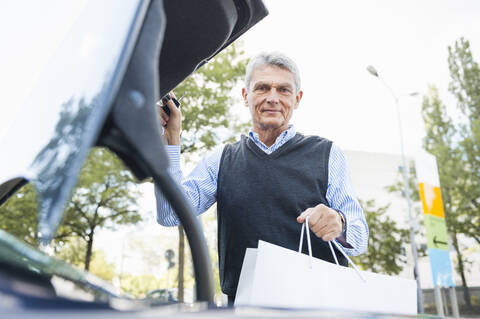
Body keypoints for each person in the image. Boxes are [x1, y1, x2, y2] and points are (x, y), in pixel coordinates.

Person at [155, 52, 368, 304]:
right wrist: (171, 140)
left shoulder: (327, 154)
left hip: (316, 306)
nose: (272, 98)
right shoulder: (222, 160)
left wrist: (339, 223)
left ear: (297, 99)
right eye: (262, 88)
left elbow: (359, 237)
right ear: (246, 96)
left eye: (284, 90)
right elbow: (170, 214)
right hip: (245, 307)